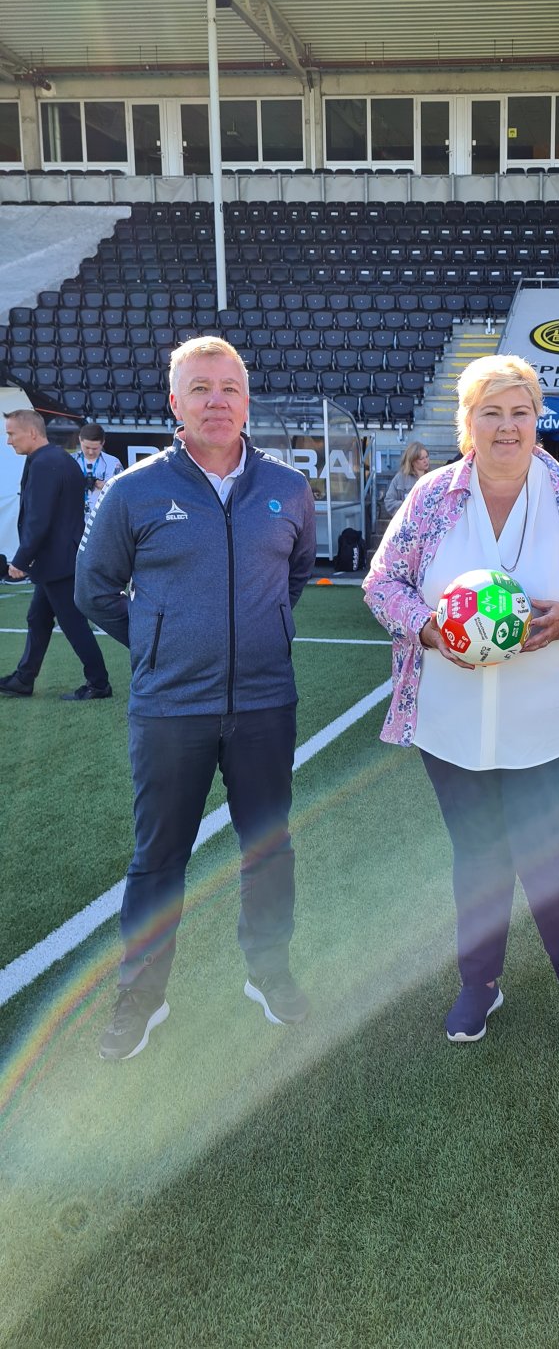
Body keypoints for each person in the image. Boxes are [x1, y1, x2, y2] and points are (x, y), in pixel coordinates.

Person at [363, 354, 559, 1062]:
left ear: (536, 421)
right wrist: (425, 626)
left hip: (555, 724)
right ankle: (479, 983)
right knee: (477, 861)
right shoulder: (431, 498)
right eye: (492, 412)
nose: (507, 426)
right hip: (454, 728)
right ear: (467, 425)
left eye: (520, 412)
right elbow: (382, 583)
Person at [76, 336, 316, 1062]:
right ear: (173, 403)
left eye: (230, 388)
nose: (217, 400)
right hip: (169, 709)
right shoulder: (135, 491)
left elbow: (296, 577)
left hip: (266, 705)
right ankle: (141, 998)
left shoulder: (289, 487)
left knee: (268, 849)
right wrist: (161, 646)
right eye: (201, 388)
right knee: (158, 860)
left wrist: (257, 638)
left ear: (247, 400)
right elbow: (94, 590)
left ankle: (268, 973)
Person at [0, 408, 113, 702]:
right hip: (60, 560)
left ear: (33, 432)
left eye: (12, 433)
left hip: (57, 562)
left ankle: (99, 684)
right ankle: (24, 678)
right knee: (38, 617)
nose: (8, 439)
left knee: (73, 623)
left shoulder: (45, 464)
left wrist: (21, 561)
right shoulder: (57, 459)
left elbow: (39, 519)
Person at [73, 421, 122, 527]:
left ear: (103, 443)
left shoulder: (113, 463)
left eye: (95, 448)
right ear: (80, 440)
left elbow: (123, 493)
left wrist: (106, 486)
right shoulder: (69, 461)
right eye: (86, 447)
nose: (90, 452)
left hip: (103, 521)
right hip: (73, 521)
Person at [383, 440, 431, 517]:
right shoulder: (400, 478)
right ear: (412, 461)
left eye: (427, 457)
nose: (426, 461)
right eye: (421, 459)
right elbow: (389, 502)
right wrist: (407, 505)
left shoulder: (432, 477)